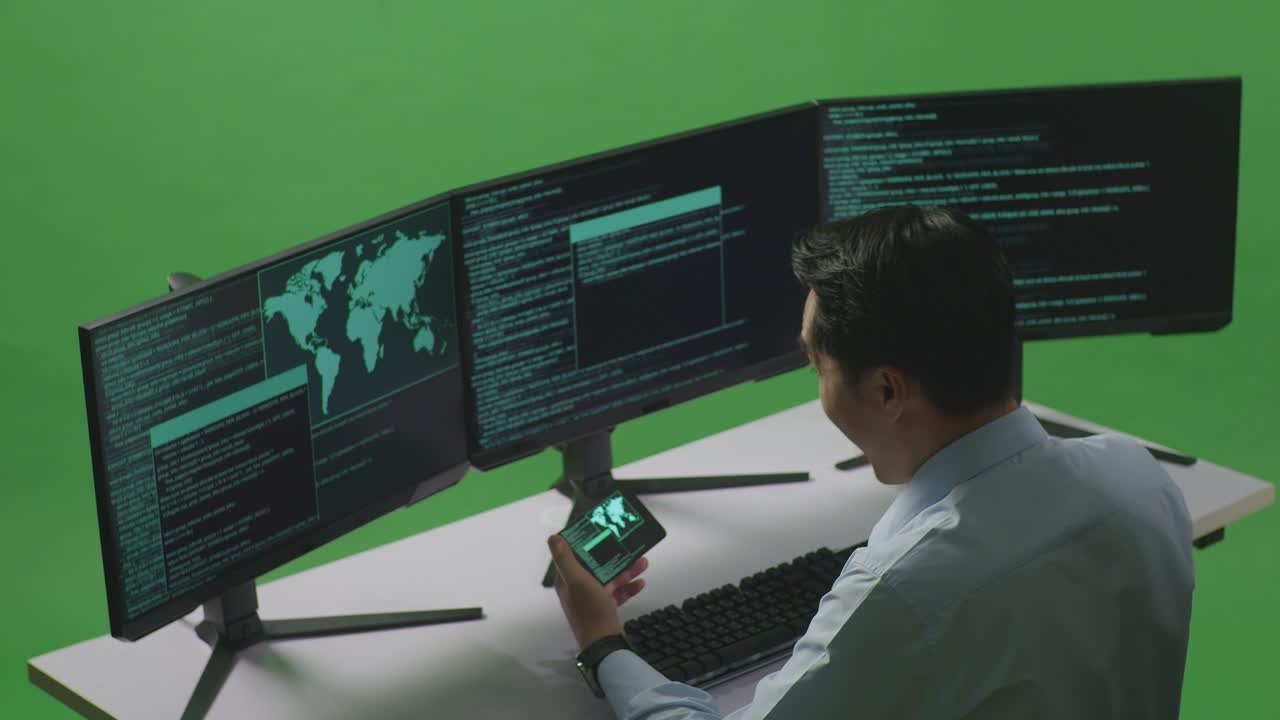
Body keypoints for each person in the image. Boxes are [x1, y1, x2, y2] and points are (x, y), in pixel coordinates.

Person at [548, 205, 1194, 719]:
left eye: (815, 362)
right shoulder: (1137, 477)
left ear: (887, 390)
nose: (817, 382)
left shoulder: (907, 590)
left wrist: (605, 644)